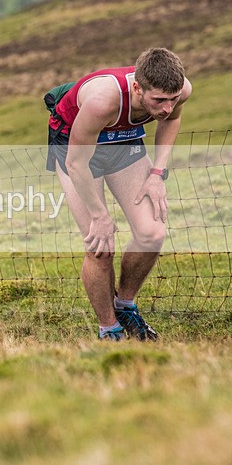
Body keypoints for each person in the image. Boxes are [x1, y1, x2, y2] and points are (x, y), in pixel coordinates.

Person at [46, 47, 191, 341]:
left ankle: (125, 305)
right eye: (159, 100)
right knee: (100, 245)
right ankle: (108, 327)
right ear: (137, 88)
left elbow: (171, 121)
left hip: (124, 144)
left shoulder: (180, 91)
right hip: (75, 149)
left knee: (152, 234)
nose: (166, 107)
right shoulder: (103, 101)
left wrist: (156, 174)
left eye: (172, 99)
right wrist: (99, 215)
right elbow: (77, 164)